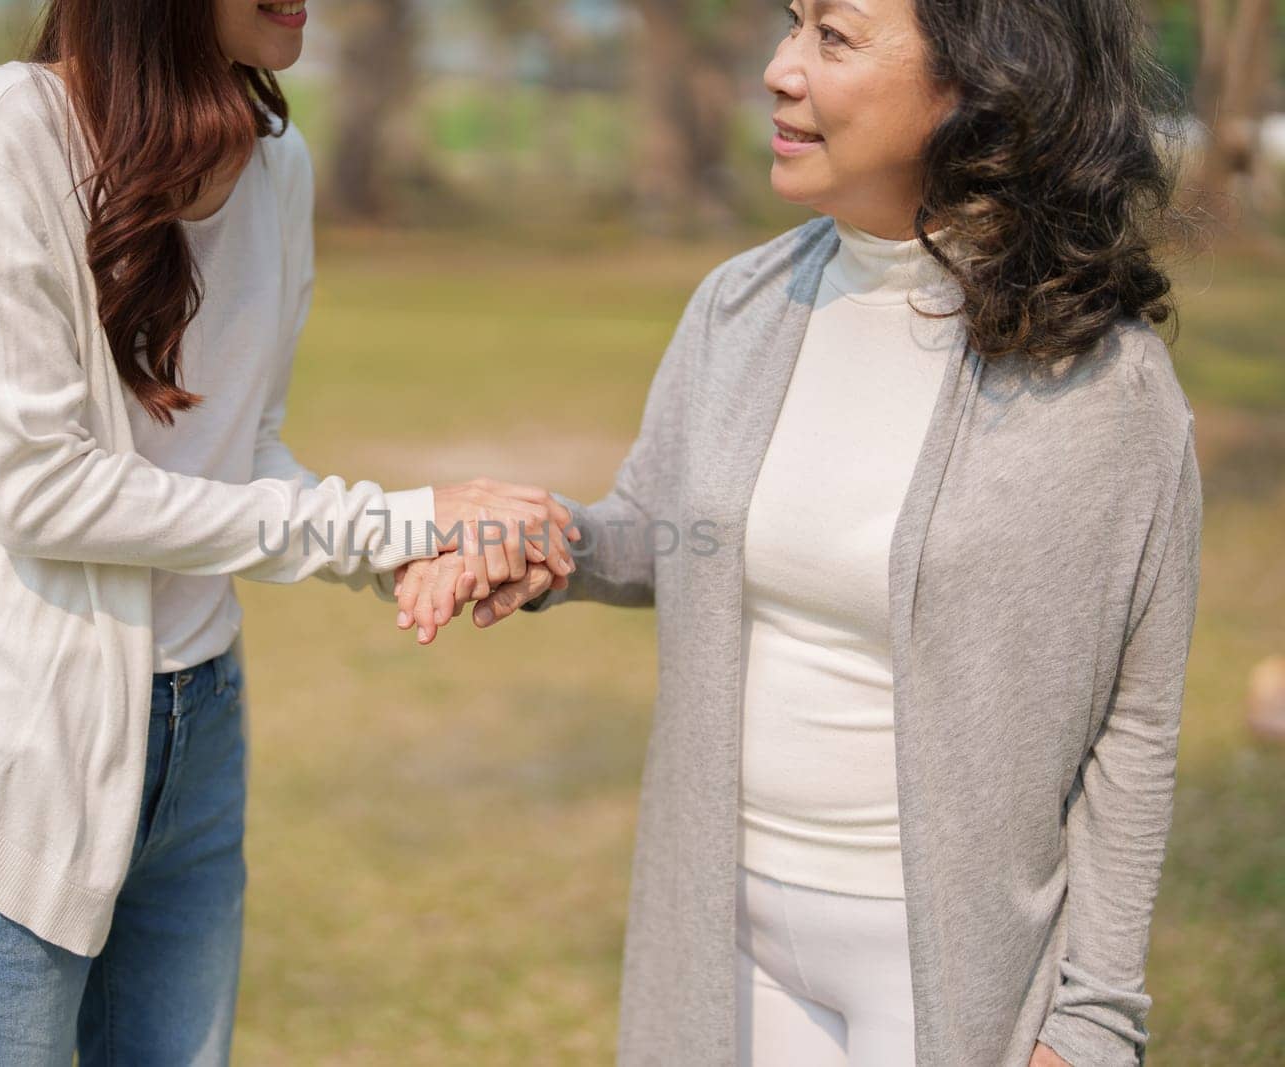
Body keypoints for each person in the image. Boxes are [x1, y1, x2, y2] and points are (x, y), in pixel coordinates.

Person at [401, 1, 1202, 1064]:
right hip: (724, 926)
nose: (779, 69)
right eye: (792, 24)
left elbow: (1133, 724)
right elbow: (670, 531)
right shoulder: (740, 303)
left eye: (834, 37)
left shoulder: (1101, 381)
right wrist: (547, 545)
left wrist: (1094, 1017)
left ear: (977, 79)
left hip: (942, 962)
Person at [0, 1, 577, 1063]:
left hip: (198, 726)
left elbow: (241, 451)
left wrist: (406, 549)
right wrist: (399, 519)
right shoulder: (3, 133)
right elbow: (45, 494)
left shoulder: (278, 164)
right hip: (6, 745)